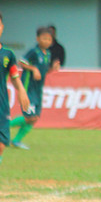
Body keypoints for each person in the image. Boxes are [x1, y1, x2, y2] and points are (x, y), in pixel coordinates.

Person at [11, 26, 59, 150]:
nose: (46, 41)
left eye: (49, 39)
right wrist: (33, 69)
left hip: (38, 90)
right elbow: (21, 62)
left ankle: (16, 140)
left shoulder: (48, 53)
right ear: (37, 39)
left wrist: (52, 69)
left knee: (35, 118)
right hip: (28, 89)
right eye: (44, 38)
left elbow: (42, 72)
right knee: (29, 117)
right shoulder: (34, 51)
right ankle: (4, 126)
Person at [0, 12, 31, 167]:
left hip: (1, 104)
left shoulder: (8, 54)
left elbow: (14, 76)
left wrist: (21, 90)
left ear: (2, 27)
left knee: (1, 145)